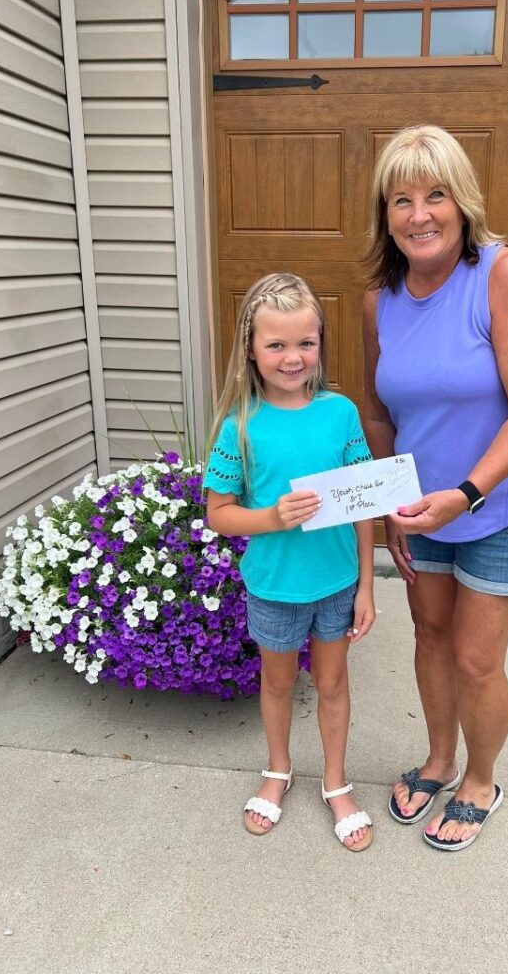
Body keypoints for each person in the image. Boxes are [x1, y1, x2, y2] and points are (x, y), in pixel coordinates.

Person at [361, 125, 508, 852]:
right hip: (422, 508)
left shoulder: (505, 276)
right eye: (402, 199)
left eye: (436, 195)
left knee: (476, 659)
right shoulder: (379, 299)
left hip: (500, 504)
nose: (420, 214)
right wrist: (391, 504)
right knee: (430, 635)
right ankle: (438, 759)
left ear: (463, 201)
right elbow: (378, 411)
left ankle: (479, 779)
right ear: (385, 214)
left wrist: (467, 493)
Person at [204, 272, 375, 852]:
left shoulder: (341, 413)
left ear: (321, 342)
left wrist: (367, 585)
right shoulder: (240, 425)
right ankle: (278, 768)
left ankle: (335, 780)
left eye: (306, 342)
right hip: (275, 584)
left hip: (337, 581)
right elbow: (219, 513)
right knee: (277, 682)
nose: (292, 357)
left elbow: (362, 502)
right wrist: (272, 517)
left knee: (332, 682)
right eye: (276, 344)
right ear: (251, 348)